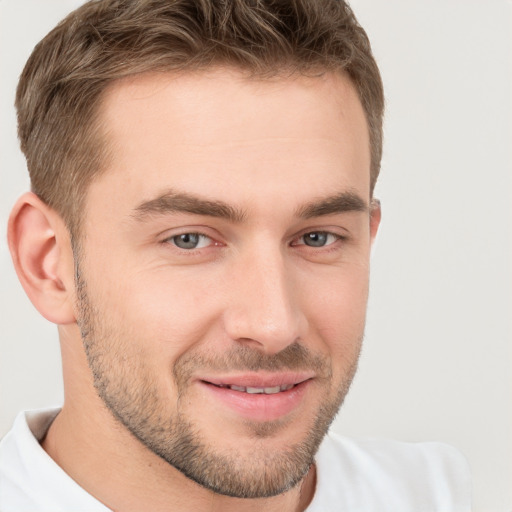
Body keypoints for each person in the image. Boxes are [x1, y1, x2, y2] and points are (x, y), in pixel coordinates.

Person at [0, 0, 471, 510]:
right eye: (190, 239)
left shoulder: (432, 495)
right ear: (47, 264)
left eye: (317, 238)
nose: (274, 325)